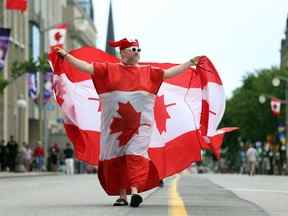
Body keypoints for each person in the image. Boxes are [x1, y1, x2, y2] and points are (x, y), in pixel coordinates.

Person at [56, 38, 199, 207]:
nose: (137, 53)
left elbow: (169, 73)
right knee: (117, 159)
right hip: (114, 127)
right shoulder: (108, 69)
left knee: (135, 156)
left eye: (139, 50)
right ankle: (122, 196)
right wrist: (66, 56)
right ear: (123, 52)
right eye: (133, 50)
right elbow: (86, 67)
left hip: (140, 126)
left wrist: (189, 62)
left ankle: (135, 191)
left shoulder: (149, 72)